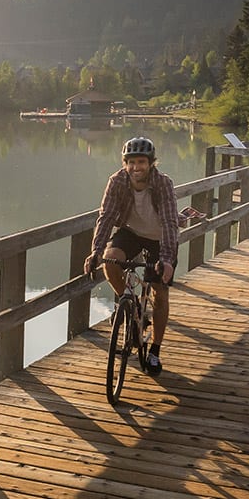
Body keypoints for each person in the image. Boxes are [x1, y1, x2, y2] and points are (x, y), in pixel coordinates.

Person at [83, 136, 179, 372]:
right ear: (125, 163)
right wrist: (95, 251)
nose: (136, 167)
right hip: (132, 232)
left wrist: (166, 260)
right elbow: (106, 216)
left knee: (160, 291)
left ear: (151, 163)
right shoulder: (117, 181)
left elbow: (169, 223)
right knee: (110, 259)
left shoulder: (163, 184)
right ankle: (133, 307)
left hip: (160, 237)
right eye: (131, 162)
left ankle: (155, 351)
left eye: (141, 162)